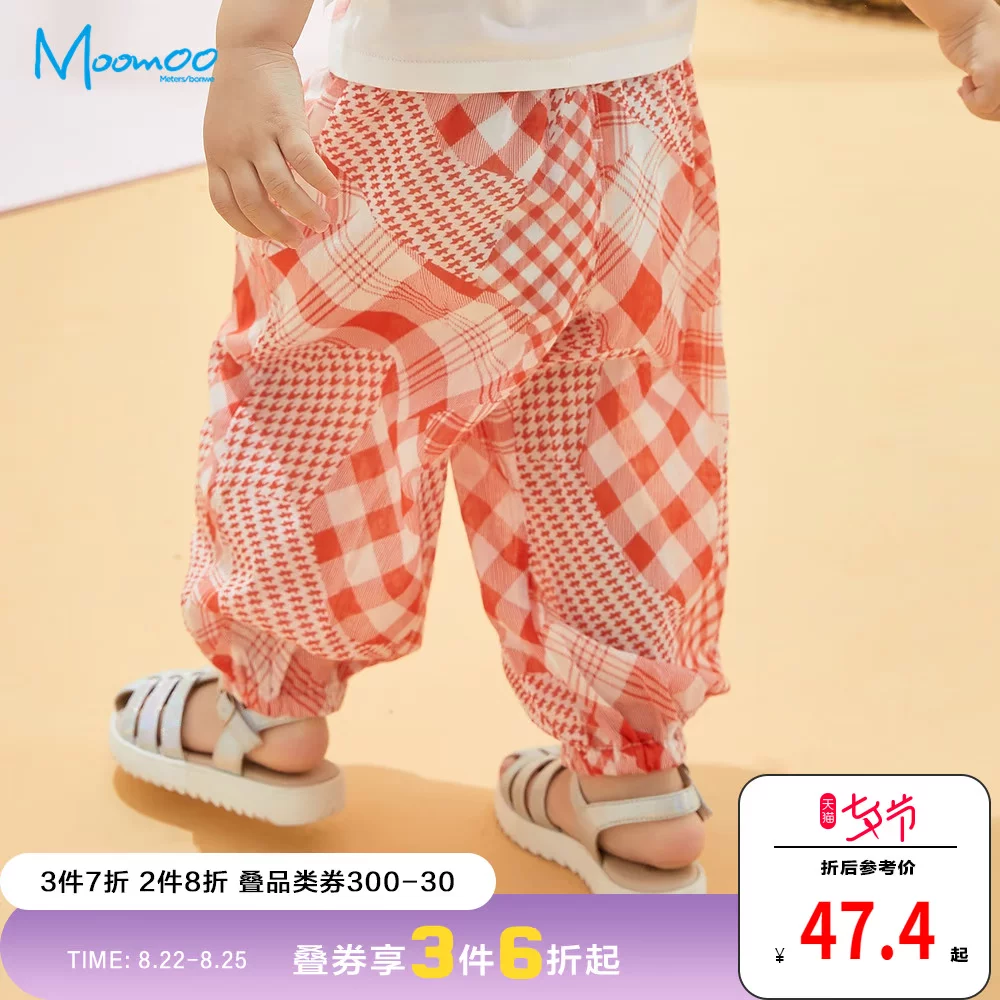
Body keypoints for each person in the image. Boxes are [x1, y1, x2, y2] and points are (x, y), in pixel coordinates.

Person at [109, 0, 1000, 893]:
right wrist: (966, 22)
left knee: (327, 406)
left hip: (415, 115)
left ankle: (265, 709)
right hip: (634, 124)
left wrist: (254, 47)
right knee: (607, 435)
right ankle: (631, 782)